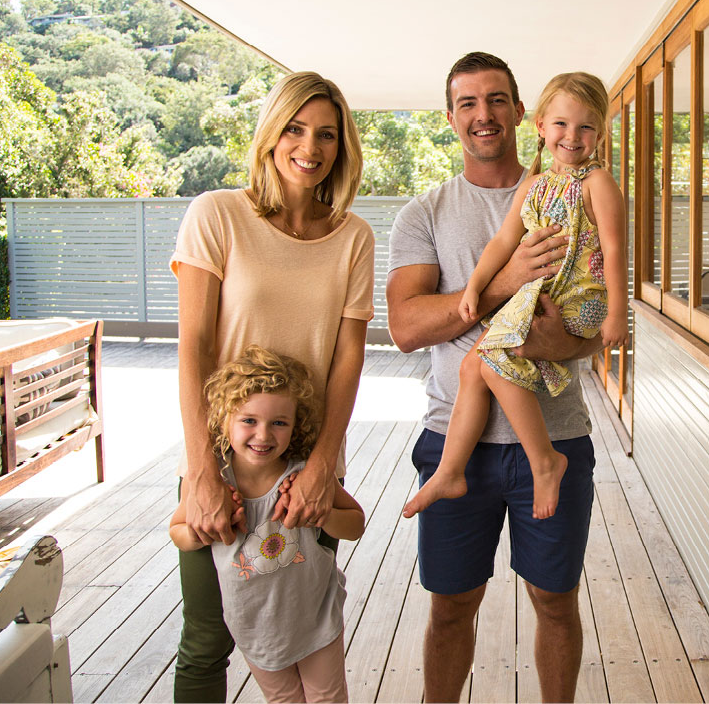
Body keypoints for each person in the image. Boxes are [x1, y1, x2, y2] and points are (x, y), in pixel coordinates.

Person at [387, 52, 604, 703]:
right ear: (451, 116)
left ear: (520, 111)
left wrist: (550, 338)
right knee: (451, 607)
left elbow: (584, 329)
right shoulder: (422, 215)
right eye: (467, 103)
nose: (483, 115)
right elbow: (407, 326)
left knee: (555, 602)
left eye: (495, 100)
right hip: (456, 443)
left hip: (556, 440)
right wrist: (504, 283)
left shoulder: (570, 194)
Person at [171, 71, 374, 702]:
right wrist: (203, 470)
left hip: (305, 472)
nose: (309, 146)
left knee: (305, 633)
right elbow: (195, 347)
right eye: (294, 128)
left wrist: (320, 467)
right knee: (208, 639)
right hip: (228, 461)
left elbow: (348, 359)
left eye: (326, 134)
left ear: (342, 147)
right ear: (269, 134)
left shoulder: (353, 237)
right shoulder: (217, 214)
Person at [402, 72, 627, 521]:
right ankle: (450, 470)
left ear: (600, 135)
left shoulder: (597, 183)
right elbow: (503, 243)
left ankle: (544, 461)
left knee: (487, 362)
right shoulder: (535, 185)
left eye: (585, 128)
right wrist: (473, 286)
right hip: (549, 293)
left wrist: (618, 312)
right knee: (473, 366)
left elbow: (616, 246)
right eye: (562, 124)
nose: (572, 136)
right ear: (541, 125)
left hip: (576, 298)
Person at [169, 346, 365, 703]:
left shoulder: (304, 476)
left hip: (314, 619)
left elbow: (355, 525)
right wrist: (206, 530)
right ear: (223, 418)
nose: (263, 435)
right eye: (249, 421)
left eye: (279, 423)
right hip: (253, 625)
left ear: (296, 425)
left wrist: (323, 515)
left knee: (327, 698)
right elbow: (178, 531)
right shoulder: (213, 482)